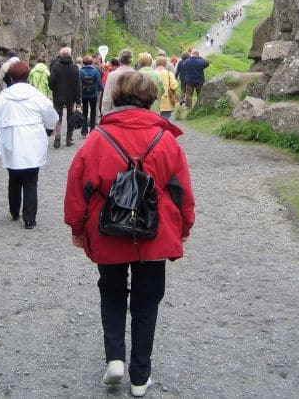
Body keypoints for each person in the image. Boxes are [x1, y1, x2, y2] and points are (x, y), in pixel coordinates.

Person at [64, 71, 195, 397]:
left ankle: (115, 360)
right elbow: (182, 193)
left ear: (117, 97)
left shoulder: (97, 139)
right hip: (155, 233)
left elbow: (77, 189)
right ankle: (140, 376)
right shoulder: (167, 140)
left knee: (111, 293)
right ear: (151, 98)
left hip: (108, 230)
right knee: (147, 301)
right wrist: (184, 228)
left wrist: (78, 229)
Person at [0, 61, 58, 229]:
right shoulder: (36, 95)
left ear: (11, 76)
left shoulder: (4, 96)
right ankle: (29, 218)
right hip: (33, 140)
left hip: (11, 140)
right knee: (31, 180)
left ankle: (15, 211)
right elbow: (51, 114)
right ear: (27, 76)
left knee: (14, 177)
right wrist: (50, 127)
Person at [48, 46, 81, 148]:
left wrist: (53, 88)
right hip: (70, 97)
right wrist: (78, 100)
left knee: (58, 116)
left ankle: (57, 136)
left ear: (60, 55)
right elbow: (77, 85)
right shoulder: (75, 67)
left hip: (58, 95)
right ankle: (68, 138)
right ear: (70, 55)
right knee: (70, 116)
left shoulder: (55, 66)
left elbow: (51, 82)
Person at [101, 49, 135, 114]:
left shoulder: (112, 75)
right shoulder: (136, 75)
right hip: (132, 113)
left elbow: (107, 97)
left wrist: (105, 113)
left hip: (115, 112)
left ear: (119, 60)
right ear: (131, 60)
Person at [79, 55, 104, 136]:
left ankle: (84, 130)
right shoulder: (95, 70)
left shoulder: (80, 71)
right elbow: (99, 83)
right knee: (93, 112)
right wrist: (102, 90)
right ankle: (92, 130)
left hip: (84, 94)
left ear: (83, 62)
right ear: (91, 62)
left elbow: (78, 83)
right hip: (93, 94)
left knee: (85, 112)